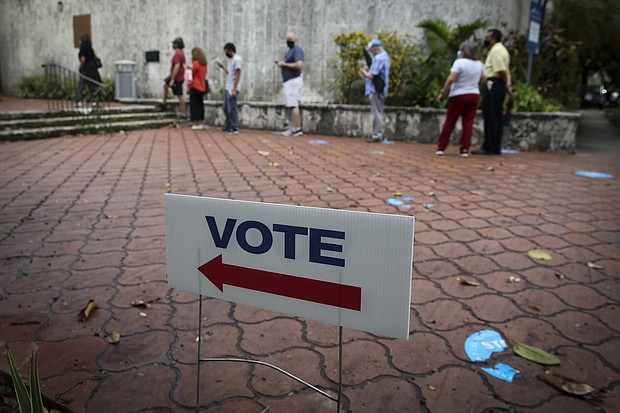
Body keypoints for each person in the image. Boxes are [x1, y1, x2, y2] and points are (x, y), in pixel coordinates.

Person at [436, 41, 487, 157]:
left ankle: (441, 147)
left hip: (458, 94)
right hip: (474, 94)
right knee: (468, 122)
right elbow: (484, 79)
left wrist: (443, 92)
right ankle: (464, 148)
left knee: (450, 121)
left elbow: (451, 79)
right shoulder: (480, 64)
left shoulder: (459, 63)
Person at [473, 28, 512, 155]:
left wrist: (506, 86)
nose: (486, 40)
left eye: (488, 38)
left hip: (493, 84)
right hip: (495, 84)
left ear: (494, 39)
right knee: (495, 115)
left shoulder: (496, 51)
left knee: (491, 116)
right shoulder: (500, 50)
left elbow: (501, 71)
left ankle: (490, 146)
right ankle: (493, 146)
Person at [360, 39, 390, 142]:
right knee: (378, 111)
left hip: (375, 89)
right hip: (381, 89)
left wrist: (364, 72)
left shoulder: (378, 58)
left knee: (376, 112)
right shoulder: (385, 56)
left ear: (374, 48)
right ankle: (377, 133)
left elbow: (372, 75)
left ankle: (377, 134)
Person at [276, 32, 304, 136]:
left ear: (295, 39)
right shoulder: (290, 51)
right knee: (292, 104)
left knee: (293, 104)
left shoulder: (297, 50)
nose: (289, 41)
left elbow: (299, 64)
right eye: (287, 39)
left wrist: (285, 64)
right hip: (288, 81)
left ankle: (295, 129)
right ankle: (295, 128)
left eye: (291, 39)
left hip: (293, 80)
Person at [216, 43, 243, 134]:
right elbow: (231, 75)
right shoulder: (233, 60)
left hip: (232, 88)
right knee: (226, 108)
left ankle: (234, 127)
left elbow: (238, 74)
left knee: (231, 108)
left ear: (230, 50)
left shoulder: (237, 59)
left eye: (226, 51)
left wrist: (234, 89)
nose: (225, 53)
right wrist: (223, 67)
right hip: (229, 87)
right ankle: (229, 125)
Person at [75, 33, 102, 107]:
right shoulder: (90, 48)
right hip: (92, 68)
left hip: (86, 68)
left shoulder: (83, 48)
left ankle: (79, 100)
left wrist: (81, 66)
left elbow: (83, 59)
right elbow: (95, 57)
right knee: (91, 85)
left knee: (81, 84)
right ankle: (91, 100)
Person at [163, 37, 187, 118]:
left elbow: (177, 66)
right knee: (165, 85)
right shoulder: (182, 53)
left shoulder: (178, 54)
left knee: (180, 95)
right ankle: (164, 102)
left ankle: (183, 113)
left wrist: (173, 79)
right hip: (177, 75)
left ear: (176, 45)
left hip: (177, 77)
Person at [188, 47, 208, 129]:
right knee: (200, 104)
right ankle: (201, 122)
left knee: (194, 104)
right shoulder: (204, 64)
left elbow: (191, 73)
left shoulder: (195, 63)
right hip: (202, 86)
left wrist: (188, 68)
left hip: (195, 85)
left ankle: (196, 122)